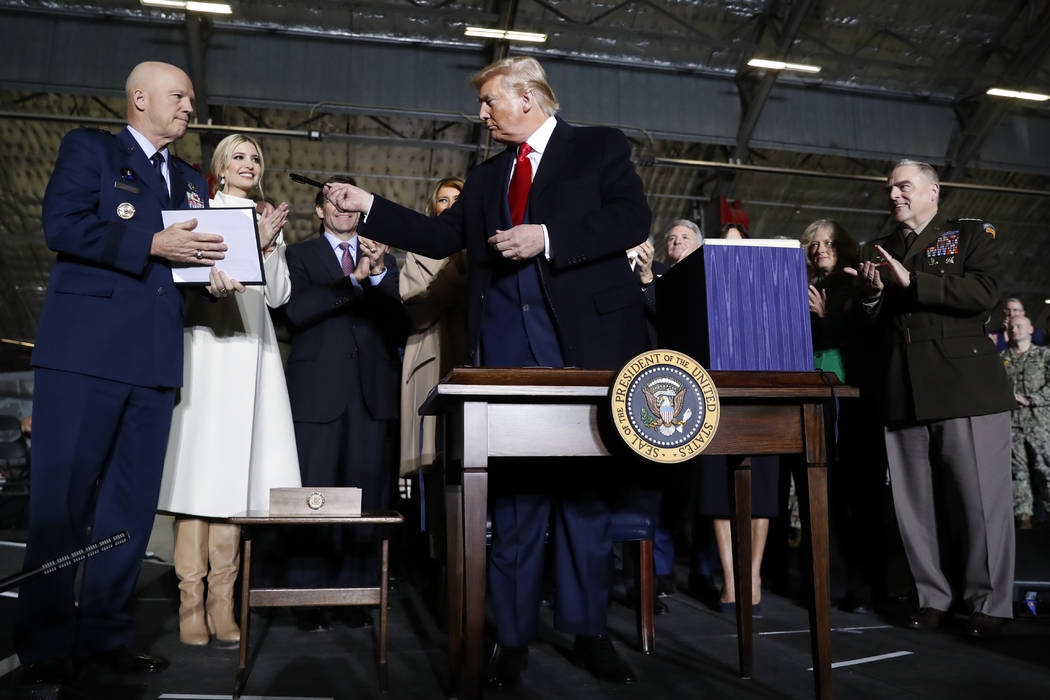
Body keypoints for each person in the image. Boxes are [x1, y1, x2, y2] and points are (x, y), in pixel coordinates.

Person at [324, 56, 651, 687]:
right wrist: (369, 204)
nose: (481, 114)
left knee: (585, 502)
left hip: (584, 351)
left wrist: (547, 238)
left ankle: (587, 632)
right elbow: (438, 236)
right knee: (518, 502)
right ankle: (513, 637)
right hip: (506, 354)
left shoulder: (599, 148)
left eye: (489, 102)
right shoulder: (485, 177)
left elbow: (629, 221)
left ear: (528, 98)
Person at [16, 61, 223, 684]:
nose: (190, 107)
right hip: (84, 359)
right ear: (141, 98)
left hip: (153, 365)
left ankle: (106, 636)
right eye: (179, 96)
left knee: (129, 512)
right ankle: (47, 645)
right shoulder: (91, 151)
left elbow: (199, 256)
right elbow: (64, 225)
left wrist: (220, 274)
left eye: (190, 98)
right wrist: (152, 244)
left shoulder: (190, 179)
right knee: (63, 505)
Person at [844, 159, 1016, 638]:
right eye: (889, 189)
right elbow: (868, 325)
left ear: (932, 190)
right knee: (913, 506)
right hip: (903, 391)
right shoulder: (877, 248)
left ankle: (989, 602)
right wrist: (872, 295)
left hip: (965, 388)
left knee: (982, 504)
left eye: (904, 186)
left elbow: (983, 292)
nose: (894, 195)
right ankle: (932, 597)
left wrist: (913, 282)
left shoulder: (970, 234)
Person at [156, 133, 301, 646]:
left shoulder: (267, 220)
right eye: (237, 155)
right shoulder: (205, 209)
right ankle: (189, 602)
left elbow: (279, 294)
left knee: (236, 480)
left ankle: (224, 602)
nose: (248, 162)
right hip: (211, 345)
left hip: (254, 349)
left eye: (255, 157)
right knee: (199, 474)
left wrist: (268, 243)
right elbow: (184, 275)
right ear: (219, 168)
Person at [282, 175, 408, 631]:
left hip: (373, 397)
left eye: (349, 201)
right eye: (332, 201)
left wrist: (375, 276)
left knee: (367, 500)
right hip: (317, 396)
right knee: (313, 498)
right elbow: (294, 313)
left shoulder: (386, 261)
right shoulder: (296, 256)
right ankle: (307, 599)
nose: (342, 208)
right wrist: (350, 282)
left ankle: (358, 596)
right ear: (319, 211)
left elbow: (402, 325)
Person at [801, 218, 888, 613]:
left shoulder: (855, 285)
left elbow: (861, 338)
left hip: (854, 406)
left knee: (861, 498)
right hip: (816, 402)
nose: (820, 250)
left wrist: (821, 319)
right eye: (814, 244)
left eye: (828, 244)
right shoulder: (805, 288)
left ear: (844, 248)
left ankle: (865, 585)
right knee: (826, 497)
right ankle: (826, 580)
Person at [399, 176, 468, 477]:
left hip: (472, 355)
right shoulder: (418, 250)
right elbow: (419, 309)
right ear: (433, 208)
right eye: (443, 200)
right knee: (432, 461)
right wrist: (458, 271)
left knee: (471, 452)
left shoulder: (487, 248)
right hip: (431, 355)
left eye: (458, 200)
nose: (451, 206)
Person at [1001, 314, 1050, 530]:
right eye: (1012, 327)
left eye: (1020, 326)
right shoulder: (1001, 359)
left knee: (1046, 473)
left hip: (1041, 427)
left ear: (1031, 329)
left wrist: (1030, 400)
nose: (1015, 330)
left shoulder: (1044, 355)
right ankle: (1024, 524)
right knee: (1017, 477)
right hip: (1012, 428)